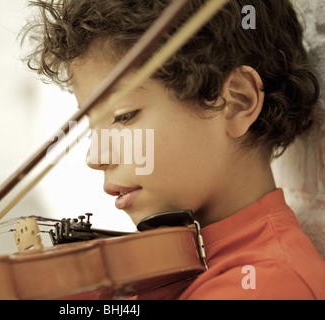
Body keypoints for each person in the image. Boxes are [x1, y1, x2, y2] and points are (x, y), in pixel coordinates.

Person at [20, 0, 325, 299]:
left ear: (237, 102)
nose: (96, 158)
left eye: (123, 116)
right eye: (91, 129)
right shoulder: (169, 269)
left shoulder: (266, 285)